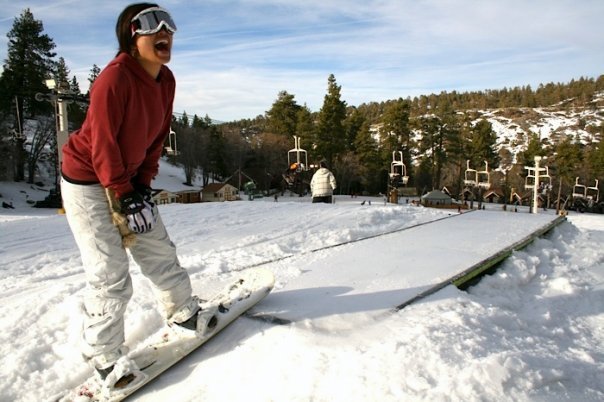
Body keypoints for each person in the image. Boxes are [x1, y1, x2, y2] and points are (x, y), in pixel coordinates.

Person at [60, 3, 210, 391]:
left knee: (157, 248)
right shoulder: (114, 80)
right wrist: (123, 194)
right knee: (110, 272)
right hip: (87, 182)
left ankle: (182, 313)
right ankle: (103, 356)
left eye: (170, 24)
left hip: (126, 180)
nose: (164, 31)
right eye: (150, 25)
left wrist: (142, 186)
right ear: (131, 37)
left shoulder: (166, 80)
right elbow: (103, 145)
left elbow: (156, 138)